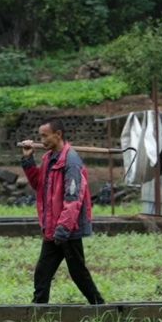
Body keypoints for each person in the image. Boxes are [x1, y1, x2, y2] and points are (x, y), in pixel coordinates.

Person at [19, 119, 106, 305]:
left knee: (78, 273)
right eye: (40, 136)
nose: (41, 140)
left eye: (45, 136)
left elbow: (73, 199)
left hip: (68, 229)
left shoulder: (71, 162)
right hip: (53, 228)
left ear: (58, 135)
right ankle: (38, 312)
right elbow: (39, 186)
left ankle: (100, 307)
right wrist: (28, 160)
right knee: (42, 273)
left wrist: (63, 229)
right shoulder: (48, 158)